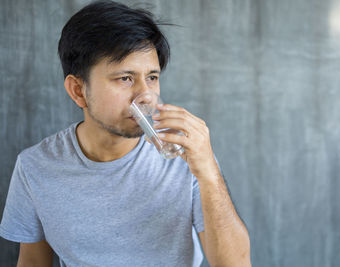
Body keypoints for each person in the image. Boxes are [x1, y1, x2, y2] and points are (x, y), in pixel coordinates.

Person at [0, 1, 251, 266]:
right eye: (125, 78)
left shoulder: (186, 154)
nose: (145, 95)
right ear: (78, 90)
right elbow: (32, 262)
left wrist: (209, 173)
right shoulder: (35, 166)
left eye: (152, 77)